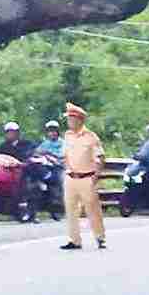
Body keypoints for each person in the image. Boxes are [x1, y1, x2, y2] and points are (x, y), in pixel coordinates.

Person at [58, 103, 107, 251]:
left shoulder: (91, 137)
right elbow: (64, 155)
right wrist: (67, 168)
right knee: (71, 209)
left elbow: (100, 157)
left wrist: (96, 176)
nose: (69, 122)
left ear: (79, 120)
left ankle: (100, 237)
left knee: (92, 209)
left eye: (71, 119)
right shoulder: (67, 135)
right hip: (71, 177)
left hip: (87, 177)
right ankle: (74, 240)